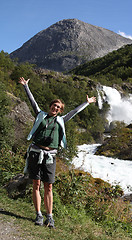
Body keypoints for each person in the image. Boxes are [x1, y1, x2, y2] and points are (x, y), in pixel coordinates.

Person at [19, 77, 96, 228]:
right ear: (50, 106)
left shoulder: (61, 120)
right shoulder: (40, 115)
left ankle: (50, 216)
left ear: (60, 110)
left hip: (50, 156)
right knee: (36, 183)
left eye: (58, 107)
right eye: (54, 105)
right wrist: (26, 86)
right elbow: (32, 102)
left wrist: (86, 103)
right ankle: (39, 215)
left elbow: (74, 112)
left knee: (48, 186)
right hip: (35, 152)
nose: (55, 108)